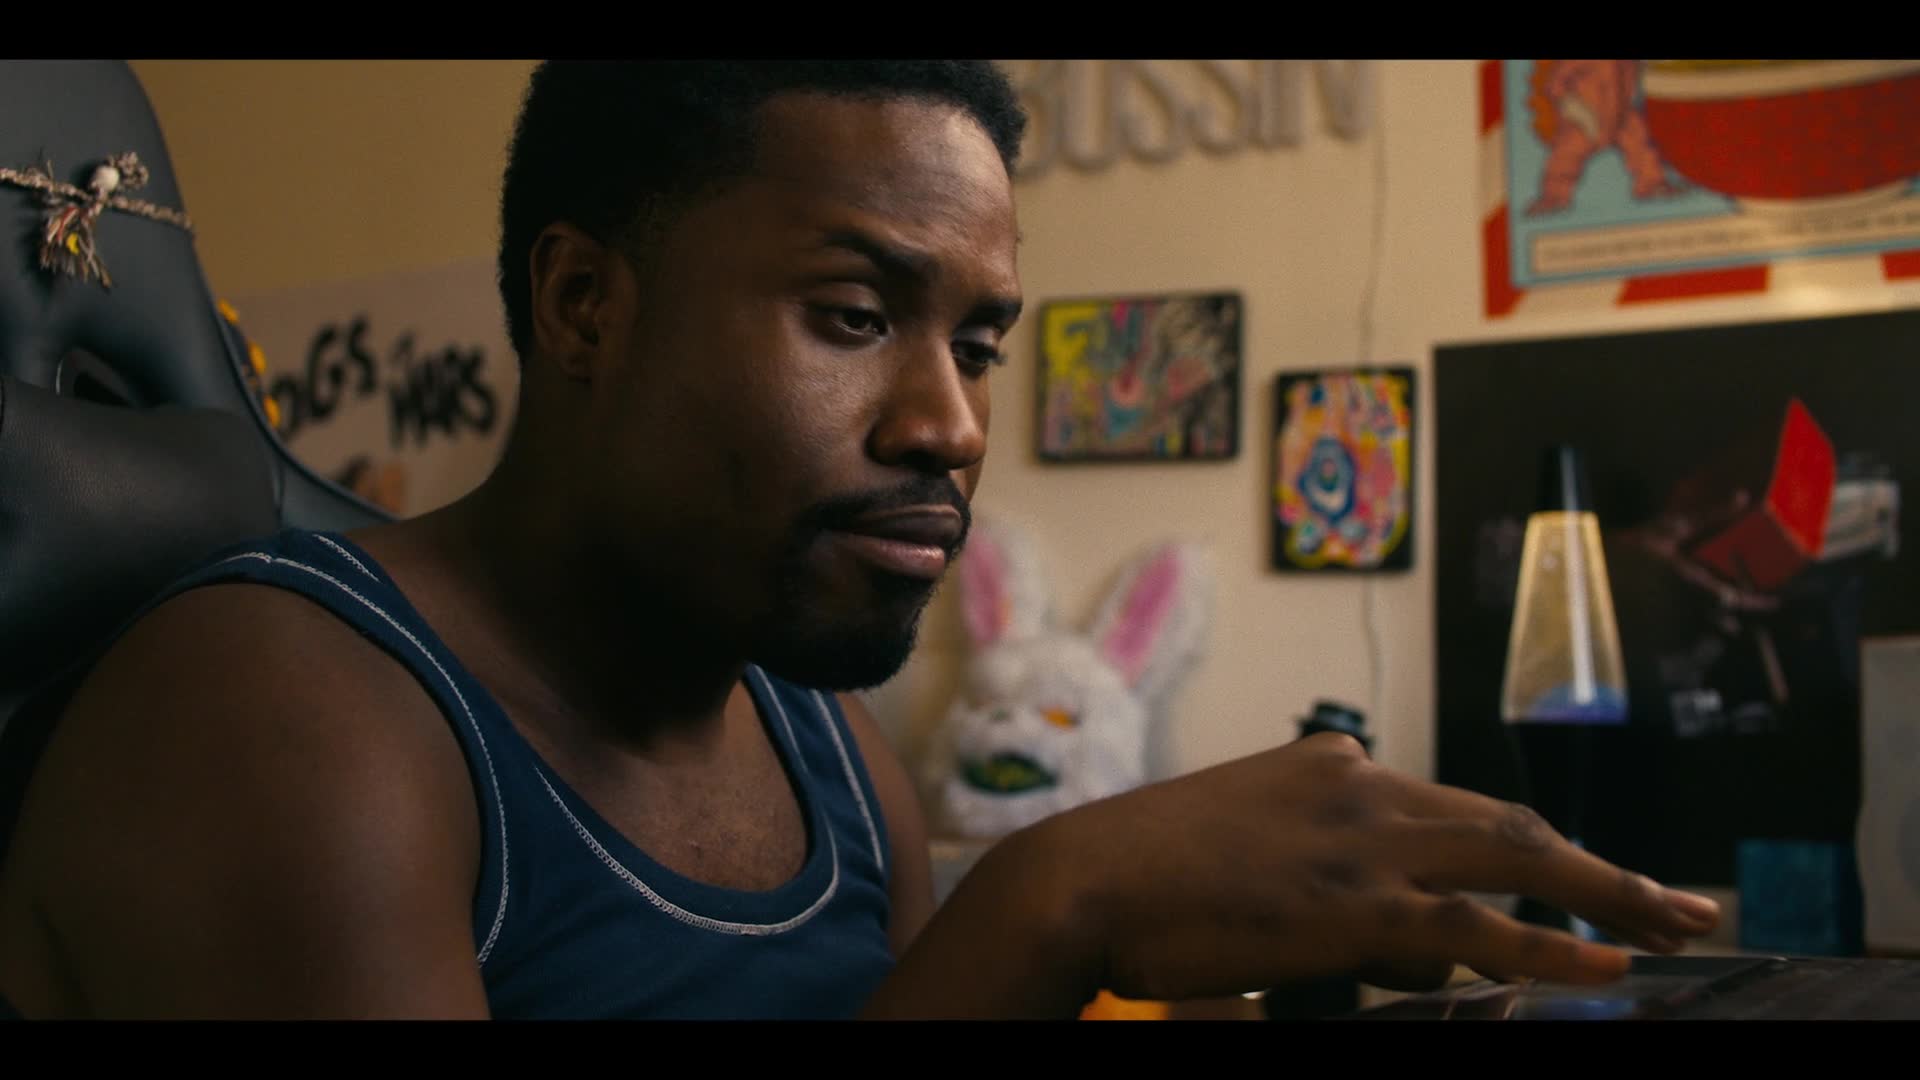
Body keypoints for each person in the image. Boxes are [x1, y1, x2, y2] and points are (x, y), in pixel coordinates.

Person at [0, 60, 1719, 1020]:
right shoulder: (280, 712)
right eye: (852, 316)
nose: (951, 425)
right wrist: (1044, 910)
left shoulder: (824, 749)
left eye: (977, 342)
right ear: (585, 303)